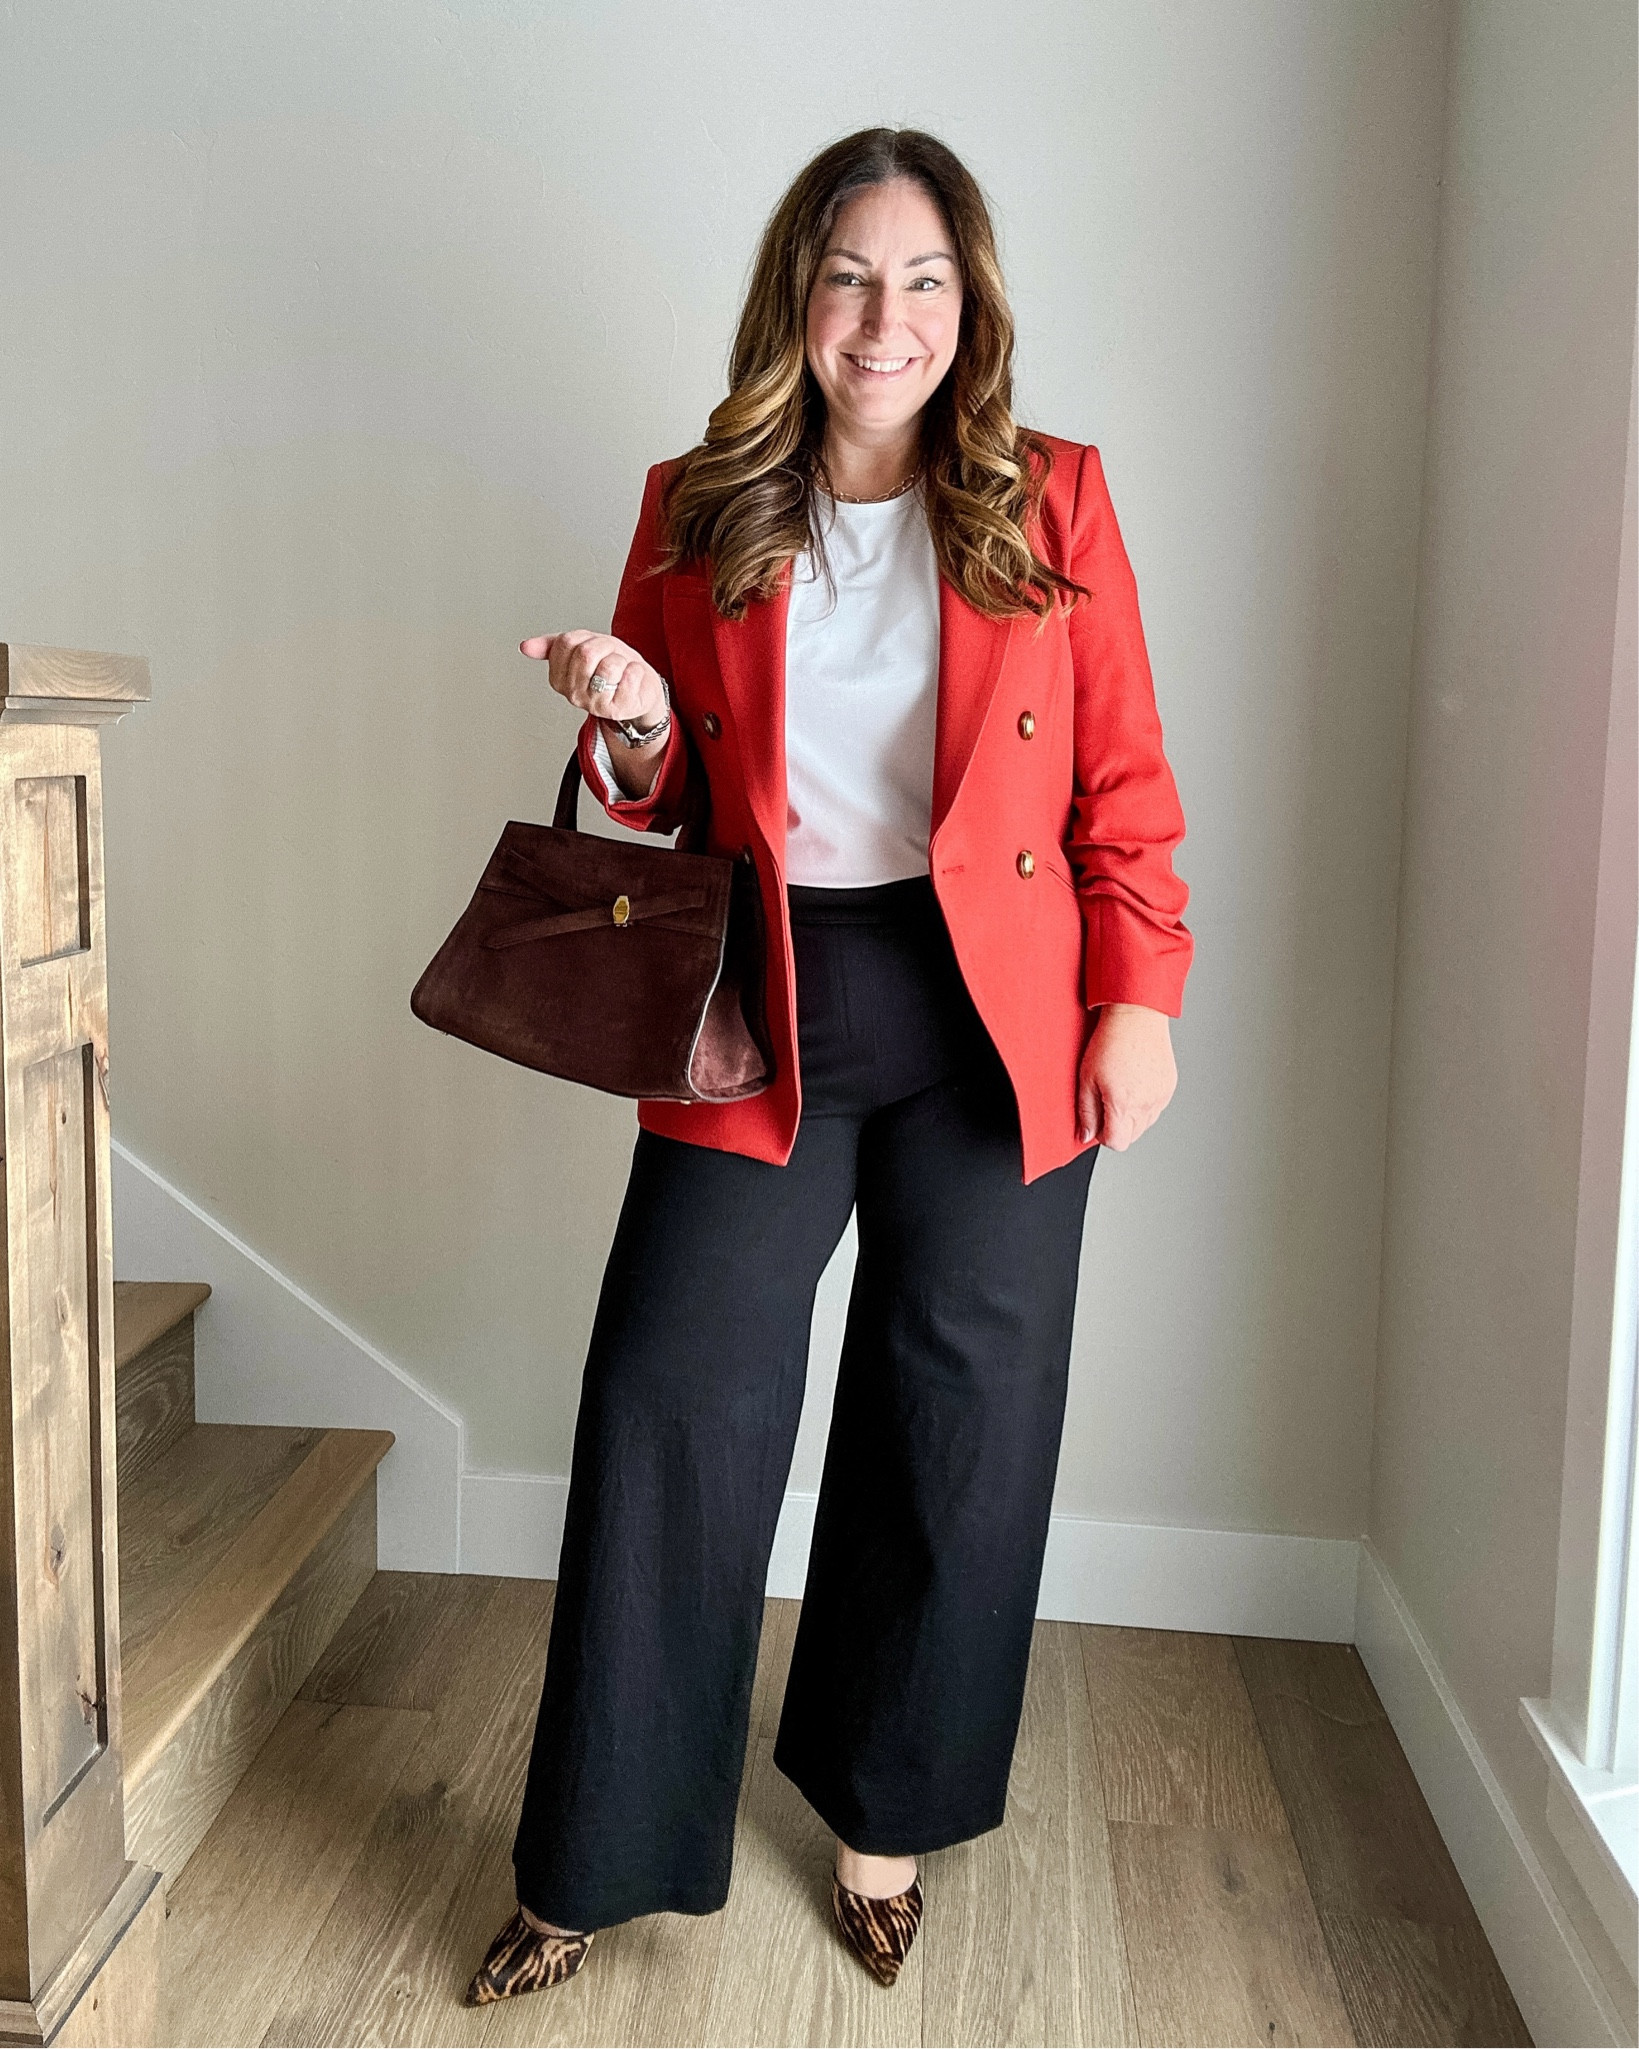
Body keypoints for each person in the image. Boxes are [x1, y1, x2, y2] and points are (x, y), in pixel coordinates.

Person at [466, 125, 1193, 2005]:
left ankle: (884, 1822)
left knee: (960, 1423)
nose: (890, 315)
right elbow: (672, 795)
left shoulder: (1055, 497)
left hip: (997, 1012)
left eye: (926, 279)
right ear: (801, 292)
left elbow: (1119, 778)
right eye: (855, 274)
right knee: (670, 1397)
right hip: (769, 994)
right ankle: (596, 1854)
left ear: (972, 305)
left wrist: (1145, 994)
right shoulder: (693, 502)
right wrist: (629, 723)